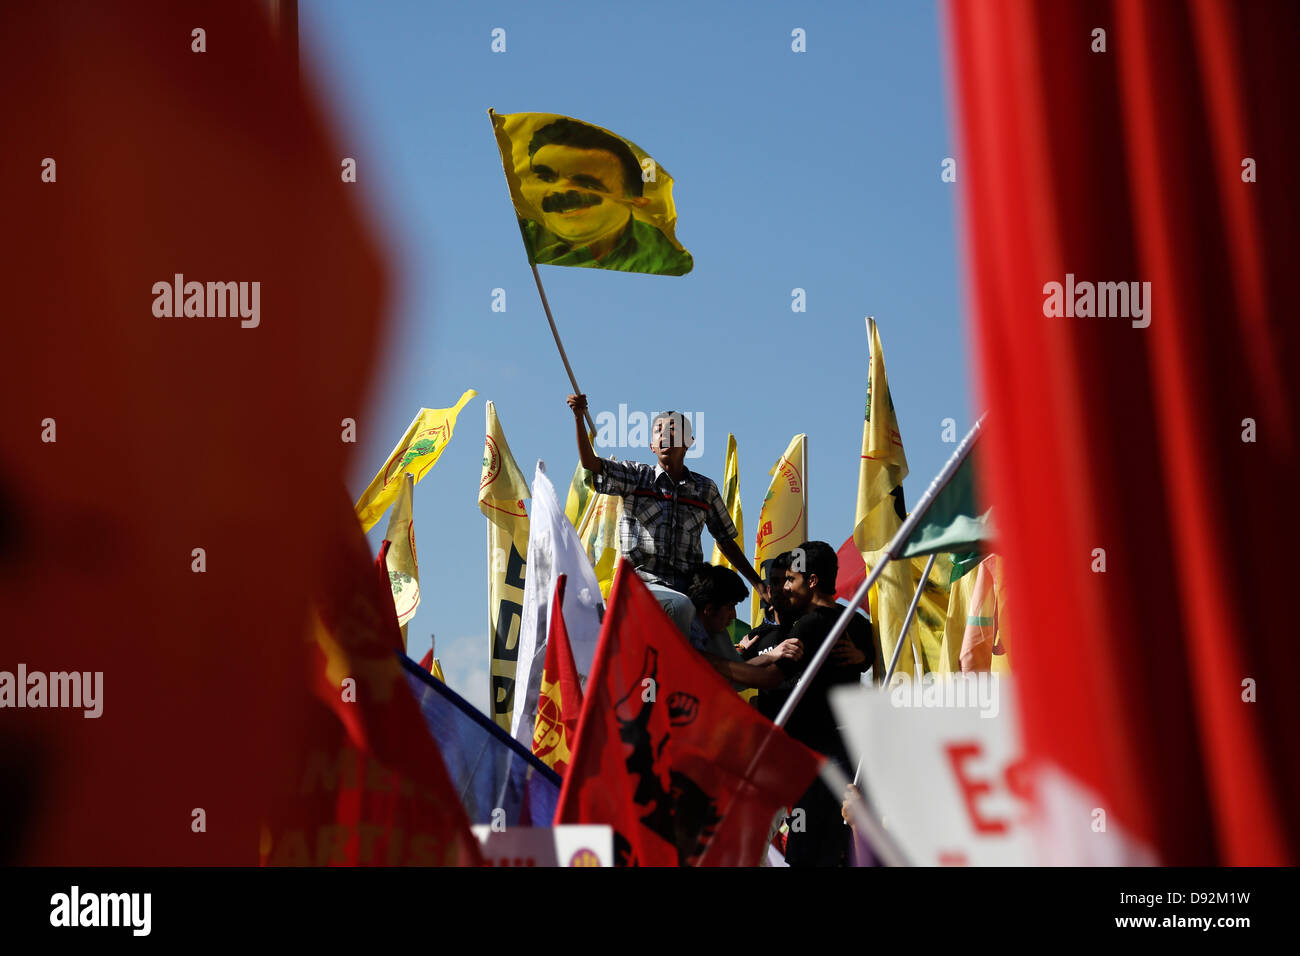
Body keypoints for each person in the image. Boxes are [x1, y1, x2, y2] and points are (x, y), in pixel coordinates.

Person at [567, 394, 766, 637]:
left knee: (721, 644)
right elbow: (590, 463)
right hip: (641, 584)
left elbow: (725, 541)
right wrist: (579, 417)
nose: (664, 435)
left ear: (689, 441)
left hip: (689, 589)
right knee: (681, 610)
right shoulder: (636, 476)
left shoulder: (705, 489)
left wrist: (757, 583)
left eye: (673, 430)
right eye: (658, 431)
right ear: (652, 446)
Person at [774, 540, 875, 867]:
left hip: (814, 755)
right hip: (848, 751)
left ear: (812, 580)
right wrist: (863, 658)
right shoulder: (858, 623)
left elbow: (776, 676)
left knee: (805, 845)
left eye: (791, 579)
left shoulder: (809, 625)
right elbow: (870, 659)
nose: (786, 587)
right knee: (840, 840)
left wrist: (727, 666)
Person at [520, 118, 692, 275]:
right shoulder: (535, 236)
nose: (559, 190)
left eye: (586, 184)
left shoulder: (654, 251)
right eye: (546, 178)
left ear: (637, 200)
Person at [684, 563, 802, 690]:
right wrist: (770, 656)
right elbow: (718, 682)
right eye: (730, 607)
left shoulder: (714, 633)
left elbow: (733, 677)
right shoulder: (679, 632)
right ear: (709, 609)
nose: (734, 615)